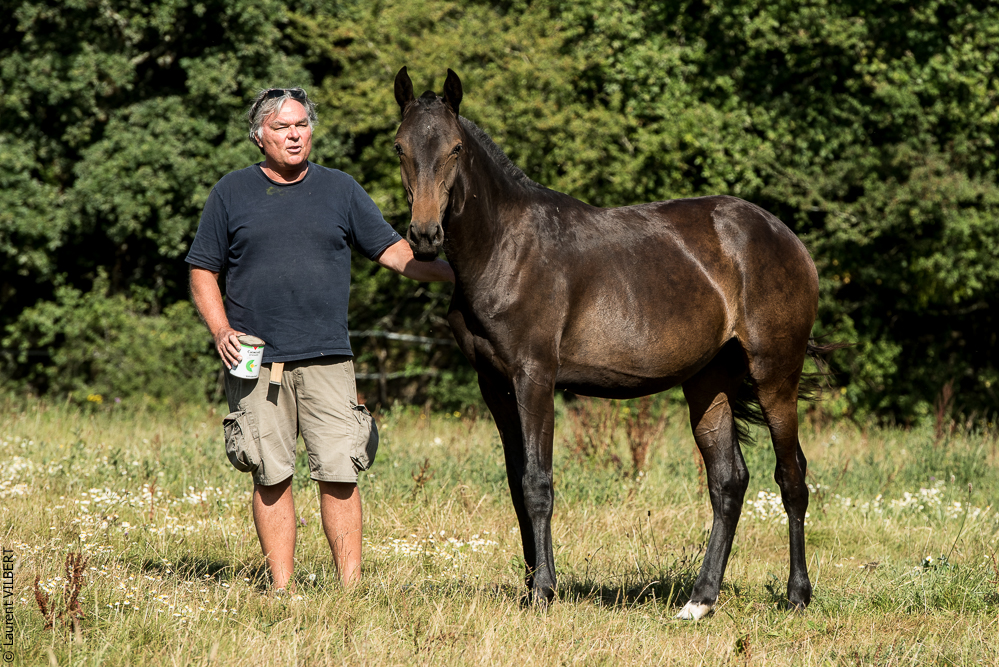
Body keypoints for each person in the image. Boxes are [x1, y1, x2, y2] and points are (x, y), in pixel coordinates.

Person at [186, 87, 453, 591]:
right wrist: (221, 331)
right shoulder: (231, 192)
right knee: (270, 474)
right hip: (256, 360)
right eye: (282, 126)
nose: (294, 134)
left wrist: (461, 273)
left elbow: (395, 253)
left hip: (328, 358)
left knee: (339, 472)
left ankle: (350, 590)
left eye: (301, 125)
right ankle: (281, 590)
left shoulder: (340, 189)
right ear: (260, 135)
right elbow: (203, 271)